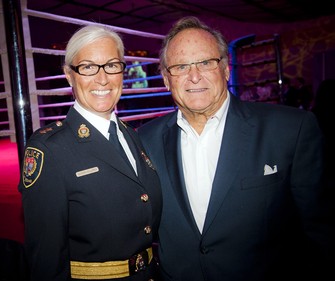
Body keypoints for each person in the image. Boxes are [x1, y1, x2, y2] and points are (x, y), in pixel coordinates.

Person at [138, 16, 334, 281]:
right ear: (166, 79)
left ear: (226, 69)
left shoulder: (290, 130)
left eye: (206, 62)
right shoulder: (144, 140)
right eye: (181, 66)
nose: (194, 76)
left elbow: (322, 231)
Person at [18, 25, 162, 281]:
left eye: (112, 65)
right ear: (68, 75)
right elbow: (46, 260)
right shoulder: (49, 149)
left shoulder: (132, 136)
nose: (103, 78)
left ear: (122, 71)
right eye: (88, 67)